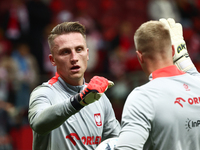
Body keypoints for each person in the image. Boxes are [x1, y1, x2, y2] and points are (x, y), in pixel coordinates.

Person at [28, 21, 120, 150]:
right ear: (52, 60)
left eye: (79, 49)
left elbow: (117, 141)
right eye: (65, 52)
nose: (74, 57)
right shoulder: (44, 93)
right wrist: (79, 101)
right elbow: (38, 123)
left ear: (87, 54)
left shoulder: (100, 98)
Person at [115, 18, 200, 150]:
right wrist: (182, 53)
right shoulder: (197, 82)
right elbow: (193, 74)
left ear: (139, 57)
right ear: (173, 51)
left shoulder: (142, 97)